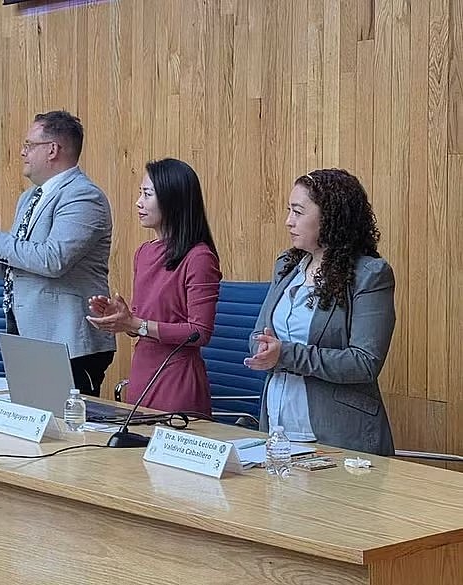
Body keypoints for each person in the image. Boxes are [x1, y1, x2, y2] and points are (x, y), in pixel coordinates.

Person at [0, 111, 115, 396]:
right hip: (28, 334)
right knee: (31, 430)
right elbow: (14, 266)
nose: (22, 152)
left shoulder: (83, 195)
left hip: (67, 339)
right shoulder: (29, 197)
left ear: (52, 149)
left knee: (69, 433)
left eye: (29, 145)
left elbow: (53, 260)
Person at [245, 168, 396, 455]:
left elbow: (364, 363)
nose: (288, 221)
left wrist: (284, 354)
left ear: (330, 216)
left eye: (298, 212)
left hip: (339, 436)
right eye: (289, 210)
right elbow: (259, 334)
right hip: (277, 427)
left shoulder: (370, 275)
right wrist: (263, 349)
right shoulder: (286, 266)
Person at [86, 158, 221, 415]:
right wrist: (121, 318)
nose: (138, 202)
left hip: (176, 380)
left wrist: (136, 324)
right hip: (142, 373)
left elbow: (199, 332)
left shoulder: (199, 257)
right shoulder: (144, 253)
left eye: (147, 194)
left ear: (173, 200)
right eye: (140, 193)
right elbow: (141, 325)